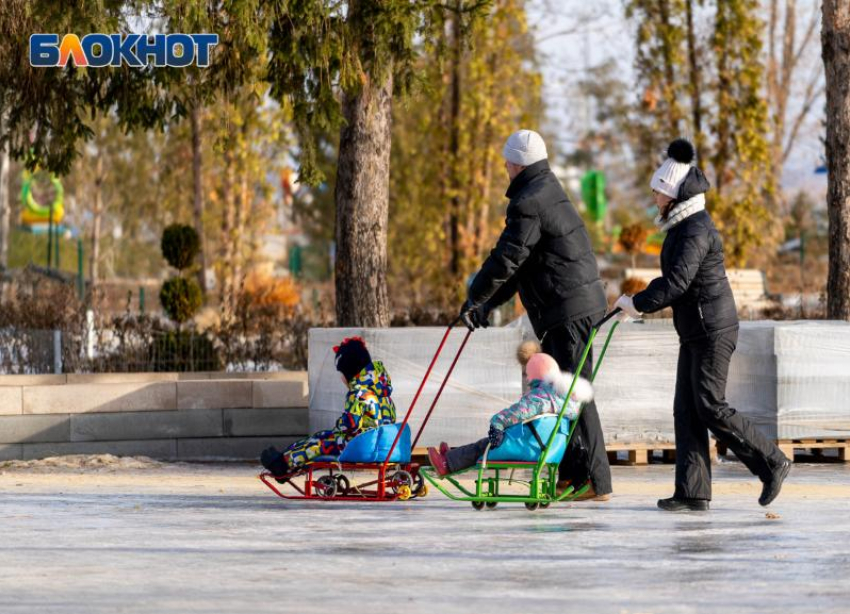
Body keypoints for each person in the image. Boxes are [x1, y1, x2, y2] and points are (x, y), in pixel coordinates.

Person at [615, 138, 791, 512]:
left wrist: (637, 303)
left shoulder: (695, 229)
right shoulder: (682, 226)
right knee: (686, 409)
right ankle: (692, 491)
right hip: (695, 329)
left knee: (710, 404)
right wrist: (636, 302)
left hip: (713, 328)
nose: (654, 198)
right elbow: (677, 282)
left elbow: (677, 282)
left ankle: (772, 461)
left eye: (659, 192)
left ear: (675, 194)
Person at [458, 129, 612, 501]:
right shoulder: (546, 191)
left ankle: (594, 481)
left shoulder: (528, 201)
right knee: (563, 394)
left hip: (568, 309)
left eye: (506, 162)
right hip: (571, 306)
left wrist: (475, 295)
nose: (505, 169)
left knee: (573, 394)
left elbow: (507, 258)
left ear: (516, 163)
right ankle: (575, 475)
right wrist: (487, 304)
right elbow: (521, 267)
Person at [426, 350, 593, 476]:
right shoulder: (565, 400)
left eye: (528, 375)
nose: (527, 379)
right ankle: (452, 456)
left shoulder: (541, 397)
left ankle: (447, 463)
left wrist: (497, 422)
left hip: (529, 448)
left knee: (484, 446)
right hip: (548, 449)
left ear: (535, 375)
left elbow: (518, 412)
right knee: (485, 444)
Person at [260, 337, 396, 477]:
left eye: (342, 373)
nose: (341, 378)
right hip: (376, 445)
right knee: (322, 436)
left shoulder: (358, 393)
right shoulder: (383, 395)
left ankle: (284, 465)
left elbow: (351, 423)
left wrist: (339, 425)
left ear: (350, 372)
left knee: (317, 445)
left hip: (359, 446)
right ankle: (285, 460)